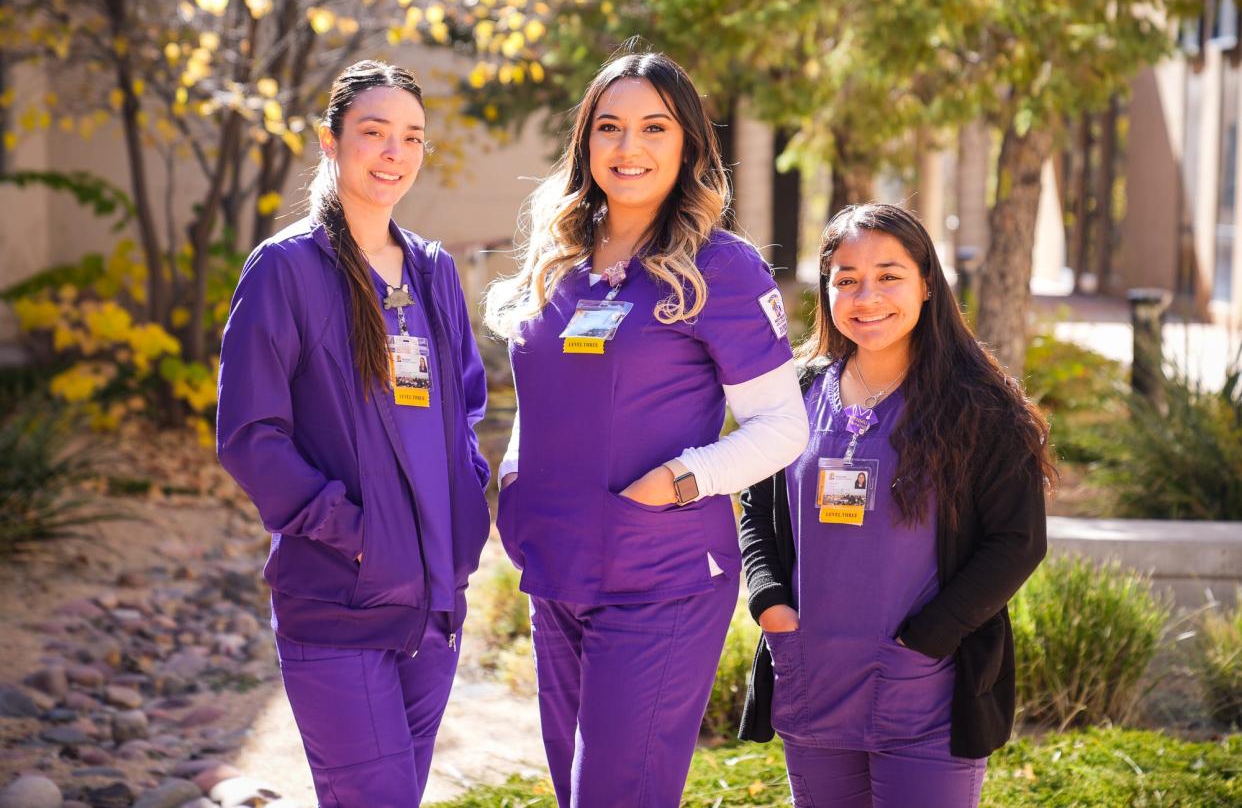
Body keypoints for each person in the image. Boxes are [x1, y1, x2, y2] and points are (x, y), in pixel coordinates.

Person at [483, 50, 809, 806]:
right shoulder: (557, 261)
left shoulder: (721, 267)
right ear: (586, 144)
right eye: (610, 127)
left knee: (616, 794)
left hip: (658, 576)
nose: (629, 148)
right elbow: (544, 399)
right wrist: (514, 477)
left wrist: (681, 479)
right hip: (557, 570)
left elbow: (782, 425)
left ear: (689, 144)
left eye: (653, 128)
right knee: (577, 793)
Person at [216, 60, 490, 807]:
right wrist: (359, 536)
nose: (394, 153)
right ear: (331, 142)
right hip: (339, 604)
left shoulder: (432, 270)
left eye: (411, 137)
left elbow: (464, 410)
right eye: (374, 133)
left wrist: (462, 525)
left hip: (434, 606)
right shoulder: (285, 271)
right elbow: (250, 435)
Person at [738, 203, 1052, 807]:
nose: (867, 295)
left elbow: (1017, 542)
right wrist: (771, 606)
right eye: (846, 279)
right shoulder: (796, 392)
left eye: (889, 275)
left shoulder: (982, 407)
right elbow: (757, 509)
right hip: (813, 676)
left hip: (926, 686)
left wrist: (929, 639)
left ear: (927, 284)